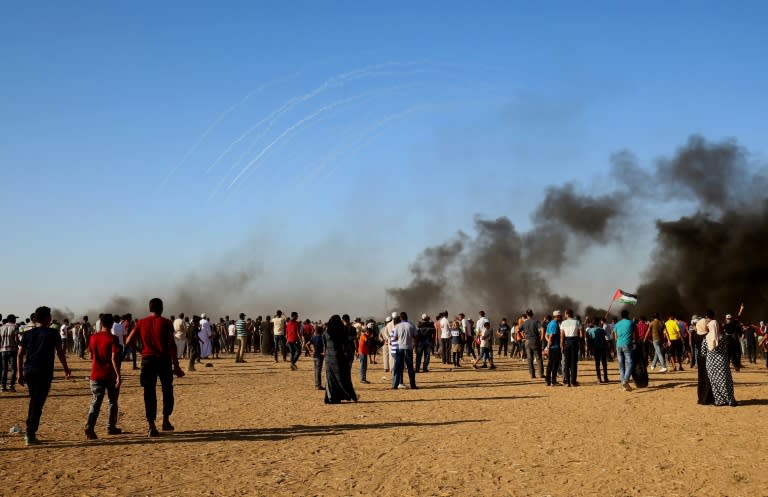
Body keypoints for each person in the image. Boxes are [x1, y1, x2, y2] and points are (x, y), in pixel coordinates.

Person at [125, 298, 185, 437]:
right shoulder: (166, 322)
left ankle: (151, 425)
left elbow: (128, 341)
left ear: (149, 308)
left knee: (149, 392)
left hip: (148, 361)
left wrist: (141, 351)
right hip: (163, 360)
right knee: (167, 390)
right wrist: (176, 366)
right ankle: (165, 420)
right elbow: (172, 346)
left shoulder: (141, 322)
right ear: (162, 308)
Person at [16, 306, 72, 445]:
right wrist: (66, 369)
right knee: (37, 403)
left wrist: (19, 373)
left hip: (29, 371)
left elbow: (20, 354)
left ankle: (30, 431)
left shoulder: (28, 334)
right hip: (44, 372)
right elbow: (59, 352)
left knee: (35, 400)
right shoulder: (52, 334)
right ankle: (30, 433)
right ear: (47, 318)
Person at [84, 314, 122, 440]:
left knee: (96, 402)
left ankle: (90, 426)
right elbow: (113, 358)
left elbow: (91, 356)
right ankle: (111, 426)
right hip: (109, 375)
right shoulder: (113, 339)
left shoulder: (93, 337)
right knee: (112, 402)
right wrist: (118, 375)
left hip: (95, 374)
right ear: (111, 324)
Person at [703, 310, 736, 406]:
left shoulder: (706, 338)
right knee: (726, 381)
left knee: (715, 383)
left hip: (710, 364)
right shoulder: (723, 338)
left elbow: (703, 352)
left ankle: (719, 401)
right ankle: (730, 400)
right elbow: (727, 349)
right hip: (722, 362)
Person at [322, 315, 357, 403]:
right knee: (342, 377)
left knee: (330, 378)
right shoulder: (341, 333)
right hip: (339, 357)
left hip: (328, 359)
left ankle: (331, 398)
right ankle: (347, 395)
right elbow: (345, 344)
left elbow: (324, 347)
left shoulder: (325, 333)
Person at [693, 315, 714, 405]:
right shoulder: (707, 336)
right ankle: (707, 398)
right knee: (708, 377)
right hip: (707, 357)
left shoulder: (695, 335)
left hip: (699, 358)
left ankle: (701, 398)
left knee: (701, 378)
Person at [614, 310, 635, 392]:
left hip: (618, 345)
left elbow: (615, 336)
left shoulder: (617, 324)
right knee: (630, 362)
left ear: (621, 316)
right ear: (628, 315)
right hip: (627, 344)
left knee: (621, 365)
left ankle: (624, 384)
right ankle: (625, 380)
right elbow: (635, 335)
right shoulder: (631, 323)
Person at [560, 309, 582, 387]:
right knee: (573, 362)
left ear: (566, 314)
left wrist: (561, 345)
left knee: (566, 362)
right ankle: (573, 382)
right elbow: (581, 334)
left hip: (566, 342)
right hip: (574, 341)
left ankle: (567, 382)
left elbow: (562, 336)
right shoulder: (577, 322)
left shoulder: (563, 323)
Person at [521, 310, 543, 378]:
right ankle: (541, 374)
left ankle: (532, 374)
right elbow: (542, 329)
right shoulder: (536, 321)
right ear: (532, 314)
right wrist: (541, 337)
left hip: (527, 341)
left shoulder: (524, 323)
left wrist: (523, 337)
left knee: (529, 358)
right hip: (535, 340)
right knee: (538, 358)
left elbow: (518, 330)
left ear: (527, 315)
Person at [1, 314, 19, 392]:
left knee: (4, 369)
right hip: (12, 350)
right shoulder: (15, 327)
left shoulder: (1, 327)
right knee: (14, 369)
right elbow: (16, 339)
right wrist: (21, 344)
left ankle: (3, 386)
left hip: (3, 350)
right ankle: (11, 385)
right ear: (13, 319)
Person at [544, 311, 562, 386]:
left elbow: (546, 335)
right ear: (557, 316)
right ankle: (553, 381)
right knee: (555, 364)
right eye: (560, 316)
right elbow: (551, 336)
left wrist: (548, 345)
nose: (561, 317)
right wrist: (549, 346)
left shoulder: (550, 323)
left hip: (551, 347)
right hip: (555, 347)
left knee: (550, 364)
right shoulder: (555, 324)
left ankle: (547, 380)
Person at [589, 319, 609, 383]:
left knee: (597, 364)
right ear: (599, 323)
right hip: (602, 348)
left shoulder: (590, 330)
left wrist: (590, 350)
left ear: (593, 324)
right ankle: (605, 378)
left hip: (595, 348)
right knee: (604, 363)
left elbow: (590, 341)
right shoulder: (602, 330)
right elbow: (604, 338)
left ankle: (599, 378)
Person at [311, 325, 324, 390]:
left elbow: (307, 344)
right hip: (320, 356)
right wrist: (324, 352)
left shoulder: (313, 337)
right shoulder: (322, 338)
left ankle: (316, 384)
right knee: (318, 371)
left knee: (316, 371)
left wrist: (311, 351)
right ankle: (318, 385)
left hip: (315, 355)